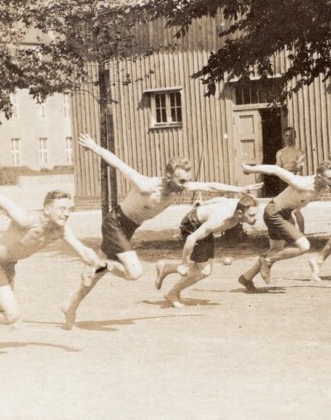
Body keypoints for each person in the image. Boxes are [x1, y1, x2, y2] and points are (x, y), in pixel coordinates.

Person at [61, 133, 262, 329]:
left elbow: (209, 185)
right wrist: (95, 147)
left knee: (94, 274)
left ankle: (70, 306)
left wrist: (238, 190)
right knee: (134, 272)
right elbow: (118, 163)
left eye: (187, 180)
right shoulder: (147, 185)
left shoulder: (179, 187)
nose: (185, 186)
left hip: (129, 228)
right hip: (115, 223)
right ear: (168, 177)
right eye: (182, 181)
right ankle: (102, 265)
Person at [0, 175, 106, 348]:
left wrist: (96, 265)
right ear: (47, 209)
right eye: (61, 209)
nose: (67, 214)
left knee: (0, 314)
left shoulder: (60, 230)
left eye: (70, 209)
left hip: (8, 265)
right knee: (11, 315)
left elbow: (83, 251)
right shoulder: (26, 219)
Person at [237, 160, 331, 292]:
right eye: (329, 178)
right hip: (274, 212)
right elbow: (276, 170)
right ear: (319, 176)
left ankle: (246, 278)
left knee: (276, 250)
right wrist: (250, 169)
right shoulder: (303, 183)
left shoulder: (328, 185)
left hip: (285, 213)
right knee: (303, 246)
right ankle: (267, 261)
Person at [155, 195, 260, 307]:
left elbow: (221, 199)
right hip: (192, 224)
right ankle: (173, 294)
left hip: (201, 222)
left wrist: (204, 203)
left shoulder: (238, 204)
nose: (255, 218)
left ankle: (166, 268)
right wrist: (184, 263)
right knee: (203, 271)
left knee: (202, 270)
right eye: (252, 215)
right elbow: (191, 238)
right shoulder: (219, 220)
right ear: (239, 213)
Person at [275, 127, 307, 233]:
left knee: (296, 210)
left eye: (291, 135)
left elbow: (299, 168)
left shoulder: (299, 152)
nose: (289, 138)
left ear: (295, 137)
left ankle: (302, 233)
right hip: (284, 181)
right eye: (287, 135)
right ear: (284, 137)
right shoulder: (280, 152)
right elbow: (278, 168)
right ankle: (293, 234)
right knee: (285, 211)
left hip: (295, 181)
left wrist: (294, 179)